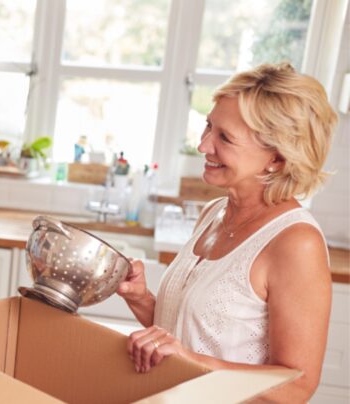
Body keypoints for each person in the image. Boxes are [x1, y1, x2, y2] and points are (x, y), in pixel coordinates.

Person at [117, 62, 337, 402]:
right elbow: (188, 338)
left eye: (225, 138)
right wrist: (141, 299)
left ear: (276, 159)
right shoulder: (214, 213)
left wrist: (193, 361)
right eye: (208, 126)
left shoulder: (296, 243)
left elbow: (297, 386)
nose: (203, 146)